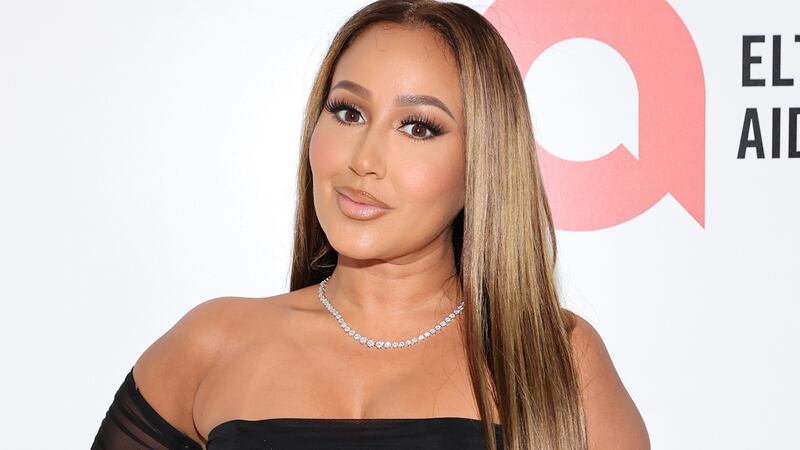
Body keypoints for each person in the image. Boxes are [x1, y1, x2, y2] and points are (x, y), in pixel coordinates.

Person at [91, 0, 650, 449]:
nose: (364, 159)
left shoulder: (556, 360)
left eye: (419, 128)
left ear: (483, 162)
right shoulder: (211, 345)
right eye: (348, 112)